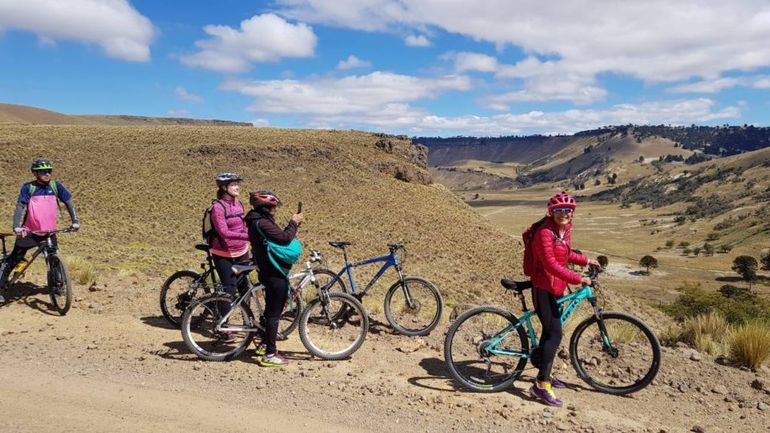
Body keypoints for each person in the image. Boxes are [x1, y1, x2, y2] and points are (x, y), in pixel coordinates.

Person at [529, 192, 600, 407]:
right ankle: (541, 386)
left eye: (568, 210)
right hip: (543, 287)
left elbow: (565, 255)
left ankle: (545, 373)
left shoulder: (563, 230)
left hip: (556, 286)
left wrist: (586, 260)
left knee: (549, 331)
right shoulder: (544, 232)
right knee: (556, 333)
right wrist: (579, 278)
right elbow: (551, 264)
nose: (564, 214)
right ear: (551, 212)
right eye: (559, 210)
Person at [0, 159, 80, 303]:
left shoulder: (56, 186)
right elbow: (20, 206)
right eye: (43, 171)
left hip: (49, 231)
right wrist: (16, 226)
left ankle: (57, 287)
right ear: (35, 173)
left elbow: (69, 202)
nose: (47, 174)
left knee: (53, 258)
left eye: (49, 171)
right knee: (15, 258)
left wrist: (75, 221)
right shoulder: (28, 187)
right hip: (29, 231)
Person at [245, 191, 303, 367]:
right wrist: (294, 222)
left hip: (267, 270)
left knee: (270, 311)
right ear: (265, 208)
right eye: (273, 207)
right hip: (273, 273)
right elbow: (284, 239)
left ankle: (264, 344)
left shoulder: (255, 220)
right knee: (273, 315)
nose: (275, 210)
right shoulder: (262, 222)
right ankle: (270, 354)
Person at [209, 173, 251, 318]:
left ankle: (248, 320)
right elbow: (224, 232)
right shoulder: (218, 207)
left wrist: (248, 234)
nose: (237, 187)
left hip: (242, 251)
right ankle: (224, 326)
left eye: (237, 184)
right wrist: (247, 236)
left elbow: (244, 224)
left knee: (245, 287)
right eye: (233, 184)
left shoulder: (239, 203)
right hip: (223, 253)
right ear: (224, 187)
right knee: (229, 290)